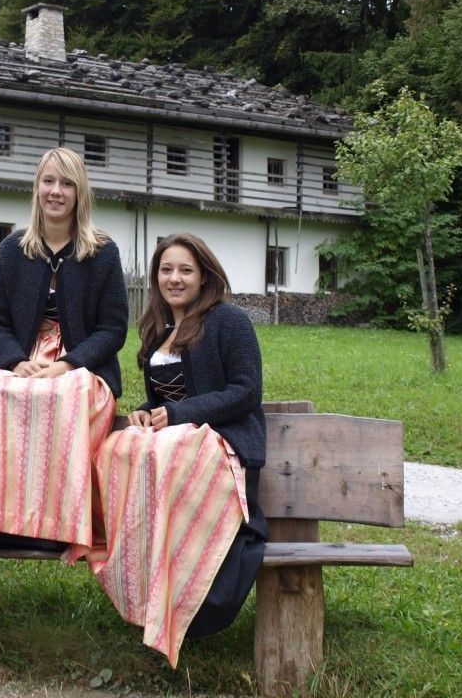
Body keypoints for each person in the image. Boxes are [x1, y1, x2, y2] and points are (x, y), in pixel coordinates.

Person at [88, 233, 266, 666]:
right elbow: (165, 395)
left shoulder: (229, 322)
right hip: (178, 441)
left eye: (185, 269)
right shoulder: (155, 328)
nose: (175, 278)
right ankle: (141, 576)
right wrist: (149, 412)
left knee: (169, 452)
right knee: (118, 447)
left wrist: (178, 414)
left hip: (220, 443)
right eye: (166, 269)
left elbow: (245, 392)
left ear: (204, 275)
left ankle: (186, 592)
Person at [0, 147, 128, 558]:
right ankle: (4, 523)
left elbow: (113, 329)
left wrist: (66, 366)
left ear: (80, 192)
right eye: (49, 181)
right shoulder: (13, 249)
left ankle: (60, 525)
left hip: (81, 367)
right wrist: (16, 362)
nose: (56, 191)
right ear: (37, 188)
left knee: (67, 396)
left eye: (66, 183)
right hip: (25, 360)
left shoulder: (102, 252)